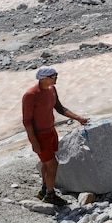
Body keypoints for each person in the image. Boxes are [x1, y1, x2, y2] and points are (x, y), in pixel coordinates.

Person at [22, 66, 89, 206]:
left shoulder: (52, 89)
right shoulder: (30, 95)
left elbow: (59, 108)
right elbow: (26, 121)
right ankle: (50, 195)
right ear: (44, 78)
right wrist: (34, 141)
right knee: (53, 164)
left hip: (51, 131)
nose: (56, 78)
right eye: (54, 76)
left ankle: (44, 190)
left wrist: (79, 118)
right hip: (40, 135)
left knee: (47, 163)